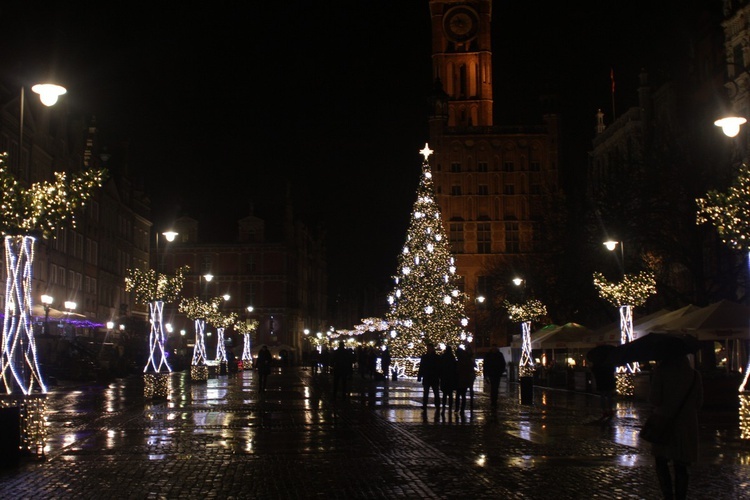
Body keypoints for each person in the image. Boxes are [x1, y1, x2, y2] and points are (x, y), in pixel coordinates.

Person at [649, 354, 703, 500]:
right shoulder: (694, 375)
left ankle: (668, 495)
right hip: (687, 424)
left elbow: (655, 399)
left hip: (664, 422)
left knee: (661, 461)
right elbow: (699, 402)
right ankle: (681, 496)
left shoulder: (660, 373)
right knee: (682, 465)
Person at [416, 343, 441, 411]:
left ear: (432, 348)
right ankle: (425, 405)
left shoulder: (435, 357)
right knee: (426, 392)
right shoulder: (426, 357)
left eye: (429, 348)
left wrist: (439, 375)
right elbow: (422, 367)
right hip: (428, 377)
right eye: (428, 348)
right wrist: (419, 375)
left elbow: (439, 368)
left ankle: (437, 405)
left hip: (433, 377)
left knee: (435, 392)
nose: (428, 349)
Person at [455, 346, 476, 412]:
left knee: (459, 394)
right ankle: (462, 409)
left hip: (460, 379)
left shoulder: (460, 360)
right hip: (465, 379)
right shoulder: (467, 359)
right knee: (463, 394)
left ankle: (458, 408)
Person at [439, 345, 458, 413]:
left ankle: (443, 408)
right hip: (450, 378)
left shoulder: (443, 357)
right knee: (450, 394)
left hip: (444, 378)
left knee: (444, 394)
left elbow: (440, 367)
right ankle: (450, 408)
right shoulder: (452, 357)